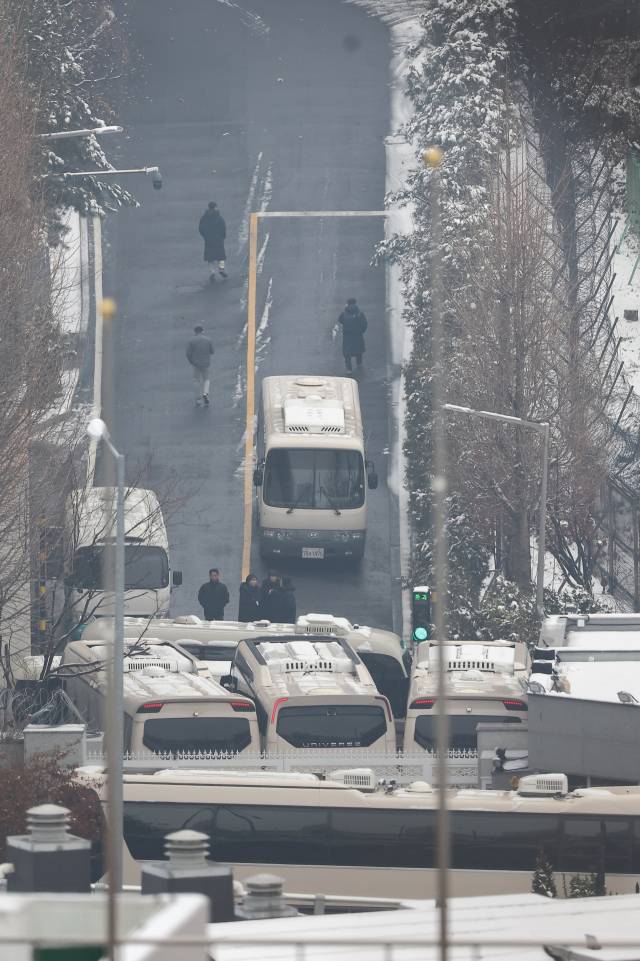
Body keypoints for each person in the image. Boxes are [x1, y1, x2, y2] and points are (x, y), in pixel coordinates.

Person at [198, 201, 227, 283]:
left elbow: (201, 228)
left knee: (210, 258)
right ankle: (221, 269)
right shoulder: (219, 217)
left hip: (209, 240)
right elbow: (223, 227)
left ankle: (212, 272)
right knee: (221, 256)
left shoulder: (204, 218)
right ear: (215, 207)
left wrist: (206, 237)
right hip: (218, 240)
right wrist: (223, 237)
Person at [186, 324, 214, 406]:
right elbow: (212, 351)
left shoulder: (191, 341)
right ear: (203, 331)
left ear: (195, 332)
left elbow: (188, 353)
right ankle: (205, 393)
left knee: (196, 380)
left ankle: (198, 399)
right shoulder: (208, 340)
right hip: (206, 363)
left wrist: (191, 361)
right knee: (206, 379)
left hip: (195, 363)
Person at [338, 297, 368, 372]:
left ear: (347, 304)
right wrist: (361, 331)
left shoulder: (344, 314)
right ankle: (359, 364)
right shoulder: (360, 314)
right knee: (358, 350)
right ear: (355, 303)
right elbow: (364, 324)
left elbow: (340, 320)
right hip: (358, 335)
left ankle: (349, 369)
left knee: (347, 353)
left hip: (347, 336)